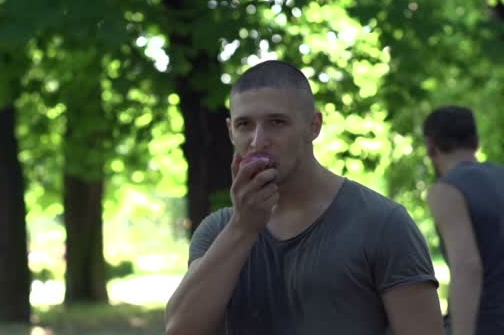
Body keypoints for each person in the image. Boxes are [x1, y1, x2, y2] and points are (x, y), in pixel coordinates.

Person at [165, 60, 444, 335]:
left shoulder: (383, 224)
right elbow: (180, 329)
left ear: (313, 126)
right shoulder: (218, 231)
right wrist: (243, 226)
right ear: (230, 131)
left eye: (276, 122)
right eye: (245, 125)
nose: (258, 140)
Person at [423, 106, 504, 335]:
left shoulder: (446, 190)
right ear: (476, 141)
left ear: (430, 146)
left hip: (487, 323)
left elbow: (467, 266)